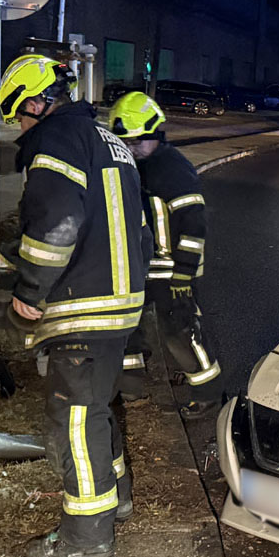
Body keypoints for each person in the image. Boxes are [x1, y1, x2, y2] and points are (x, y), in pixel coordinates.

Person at [0, 53, 146, 557]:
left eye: (19, 113)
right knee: (98, 408)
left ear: (37, 101)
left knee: (76, 418)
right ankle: (117, 499)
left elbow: (58, 225)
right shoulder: (106, 139)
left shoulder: (57, 140)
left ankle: (87, 536)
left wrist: (28, 291)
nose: (19, 125)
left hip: (84, 303)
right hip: (118, 302)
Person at [106, 91, 222, 416]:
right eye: (125, 142)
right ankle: (130, 390)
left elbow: (194, 226)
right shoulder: (130, 166)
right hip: (137, 265)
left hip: (172, 269)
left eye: (139, 141)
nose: (132, 148)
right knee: (127, 326)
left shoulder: (172, 169)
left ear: (157, 134)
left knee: (180, 330)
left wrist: (183, 275)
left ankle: (209, 393)